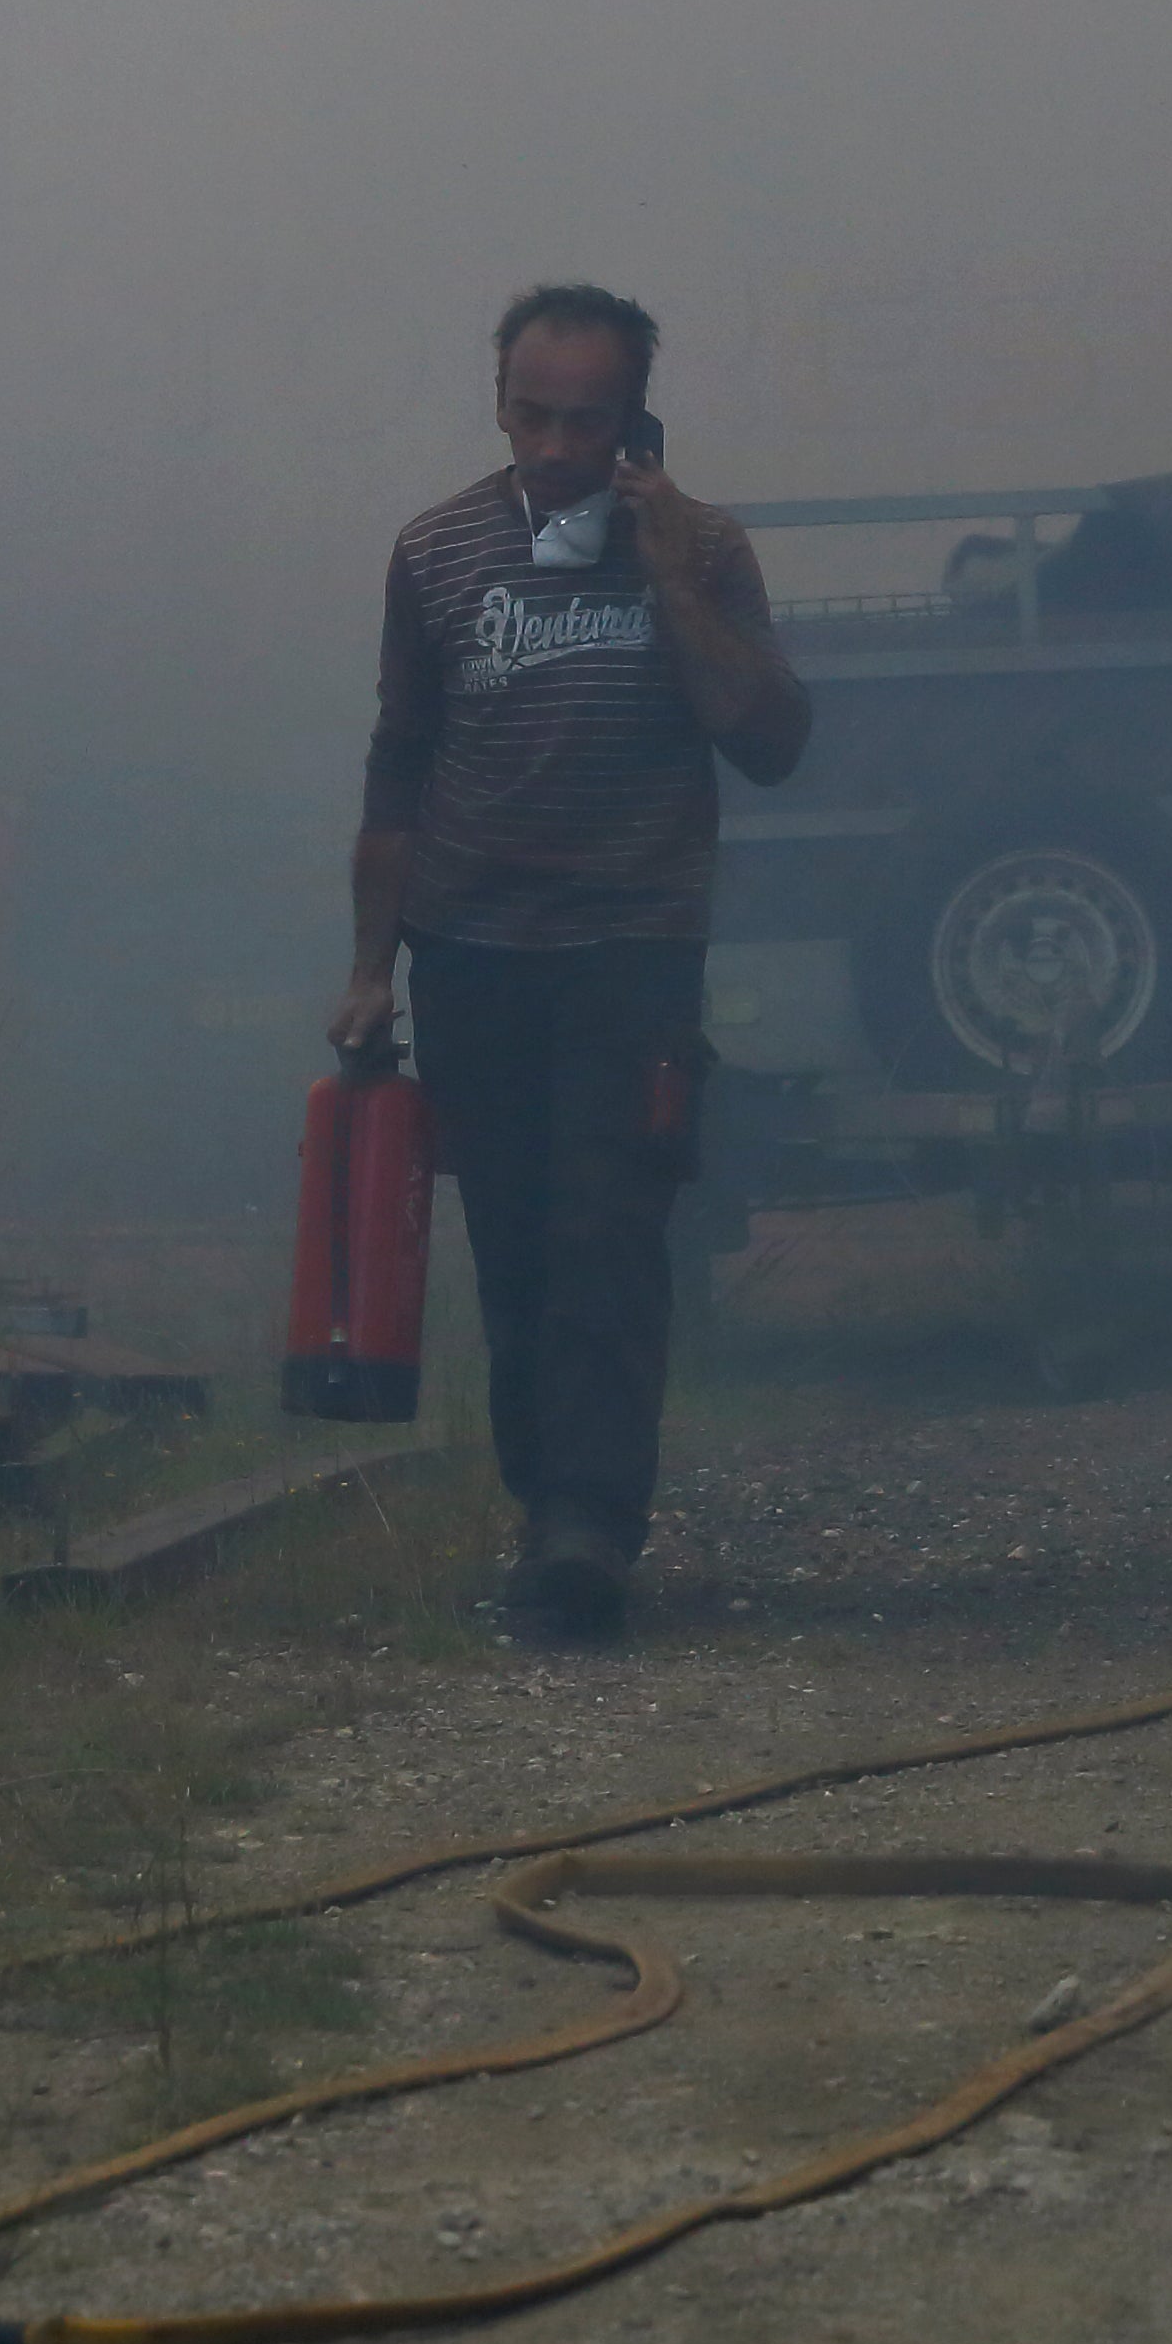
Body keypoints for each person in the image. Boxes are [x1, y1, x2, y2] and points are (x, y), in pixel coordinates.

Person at [339, 282, 811, 1644]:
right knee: (518, 1249)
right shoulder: (433, 554)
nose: (554, 447)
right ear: (499, 402)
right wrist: (372, 967)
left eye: (585, 421)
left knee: (610, 1232)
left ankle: (590, 1532)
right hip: (473, 953)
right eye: (532, 415)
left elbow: (772, 738)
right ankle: (543, 1506)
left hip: (633, 954)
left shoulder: (707, 548)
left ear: (634, 419)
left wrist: (664, 576)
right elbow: (398, 768)